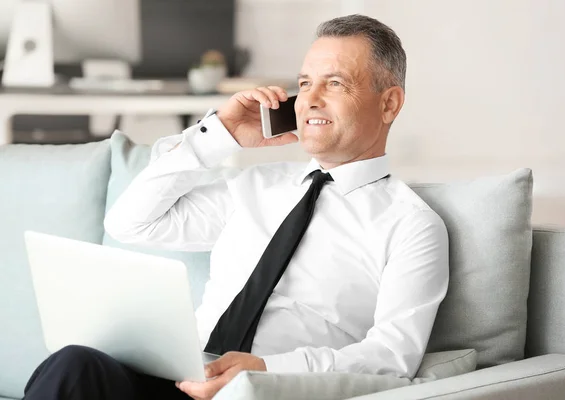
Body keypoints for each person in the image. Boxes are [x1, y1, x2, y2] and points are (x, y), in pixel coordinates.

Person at [23, 14, 449, 400]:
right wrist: (218, 136)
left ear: (389, 103)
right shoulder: (255, 186)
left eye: (335, 84)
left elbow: (393, 355)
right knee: (74, 364)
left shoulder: (411, 225)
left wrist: (266, 369)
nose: (309, 100)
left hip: (268, 390)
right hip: (181, 378)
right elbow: (130, 222)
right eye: (303, 84)